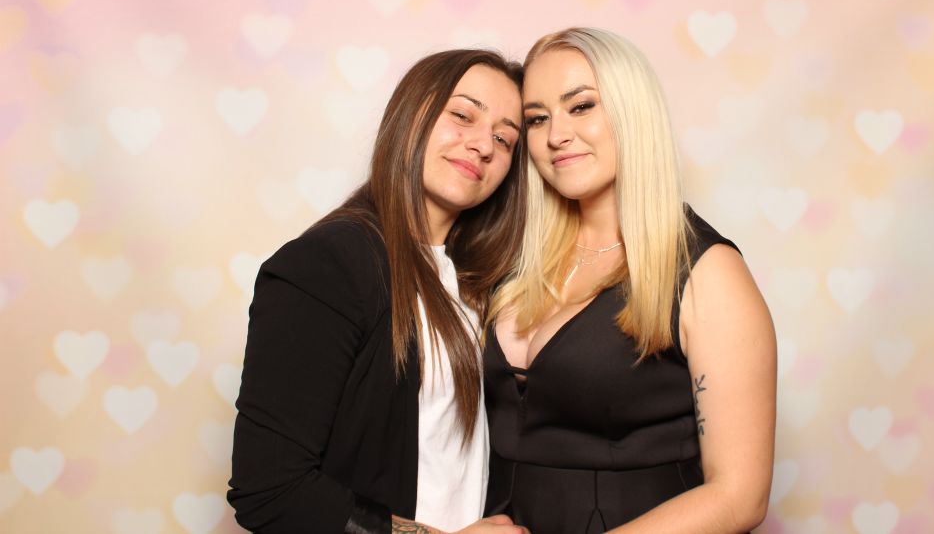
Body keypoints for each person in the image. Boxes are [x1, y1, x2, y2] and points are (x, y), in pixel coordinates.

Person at [484, 28, 777, 533]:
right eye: (537, 118)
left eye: (581, 106)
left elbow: (740, 495)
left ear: (633, 112)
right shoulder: (510, 258)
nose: (556, 135)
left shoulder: (707, 273)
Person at [228, 49, 531, 534]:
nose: (482, 145)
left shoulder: (484, 280)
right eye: (462, 115)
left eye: (504, 138)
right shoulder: (329, 264)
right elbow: (269, 489)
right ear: (411, 115)